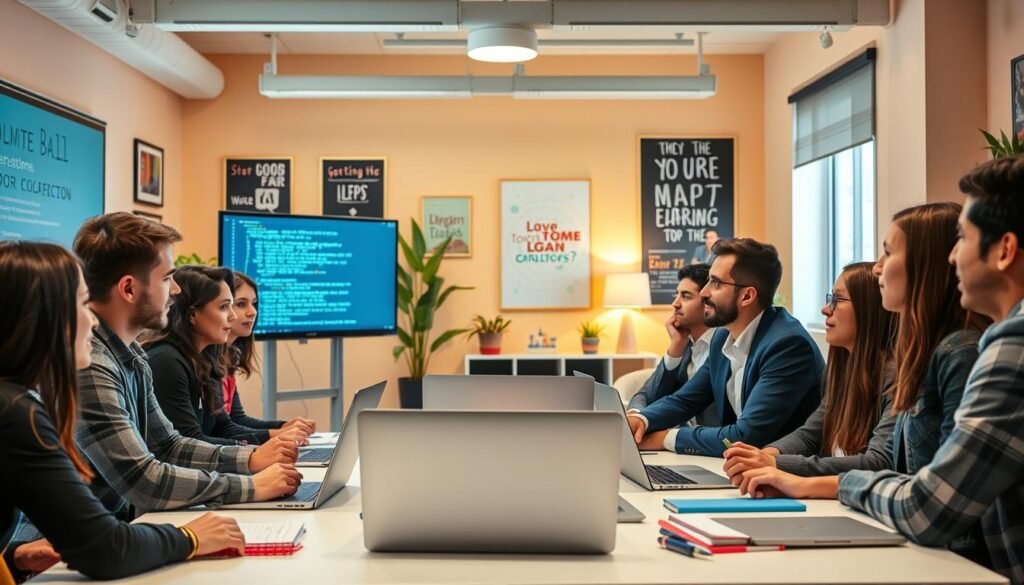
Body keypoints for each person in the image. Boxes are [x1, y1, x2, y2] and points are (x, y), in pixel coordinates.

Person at [735, 202, 990, 565]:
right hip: (916, 540)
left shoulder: (955, 353)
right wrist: (773, 459)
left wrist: (799, 477)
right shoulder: (918, 355)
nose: (877, 267)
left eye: (888, 252)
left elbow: (915, 487)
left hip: (953, 558)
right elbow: (819, 435)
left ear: (924, 266)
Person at [0, 242, 244, 583]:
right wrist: (191, 538)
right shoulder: (15, 413)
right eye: (82, 304)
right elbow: (106, 549)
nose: (92, 321)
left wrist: (11, 558)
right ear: (45, 317)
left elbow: (168, 445)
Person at [72, 212, 302, 520]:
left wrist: (249, 459)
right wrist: (250, 486)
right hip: (61, 556)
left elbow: (169, 447)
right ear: (129, 289)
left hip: (114, 532)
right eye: (167, 279)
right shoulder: (90, 365)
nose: (176, 291)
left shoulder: (134, 357)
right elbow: (144, 481)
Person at [627, 238, 824, 456]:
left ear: (747, 296)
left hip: (784, 476)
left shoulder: (787, 346)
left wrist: (667, 438)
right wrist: (642, 419)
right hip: (737, 469)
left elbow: (746, 436)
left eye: (716, 283)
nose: (704, 292)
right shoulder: (722, 337)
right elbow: (686, 400)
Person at [722, 262, 897, 479]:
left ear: (869, 308)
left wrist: (775, 462)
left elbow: (876, 462)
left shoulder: (895, 379)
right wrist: (762, 456)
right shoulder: (843, 373)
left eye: (837, 300)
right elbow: (809, 436)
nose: (825, 309)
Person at [144, 266, 309, 446]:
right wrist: (255, 453)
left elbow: (224, 427)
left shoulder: (207, 359)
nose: (232, 316)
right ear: (192, 315)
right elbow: (189, 442)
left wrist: (276, 437)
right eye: (224, 307)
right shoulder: (166, 361)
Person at [223, 272, 316, 441]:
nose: (252, 312)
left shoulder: (229, 357)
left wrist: (282, 426)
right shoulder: (201, 361)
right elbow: (216, 431)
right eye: (241, 304)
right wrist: (277, 434)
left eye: (254, 304)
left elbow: (236, 419)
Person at [627, 264, 719, 426]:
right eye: (676, 295)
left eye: (686, 296)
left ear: (708, 302)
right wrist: (635, 416)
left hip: (708, 444)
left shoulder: (725, 347)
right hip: (674, 439)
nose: (675, 303)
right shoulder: (685, 347)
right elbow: (646, 395)